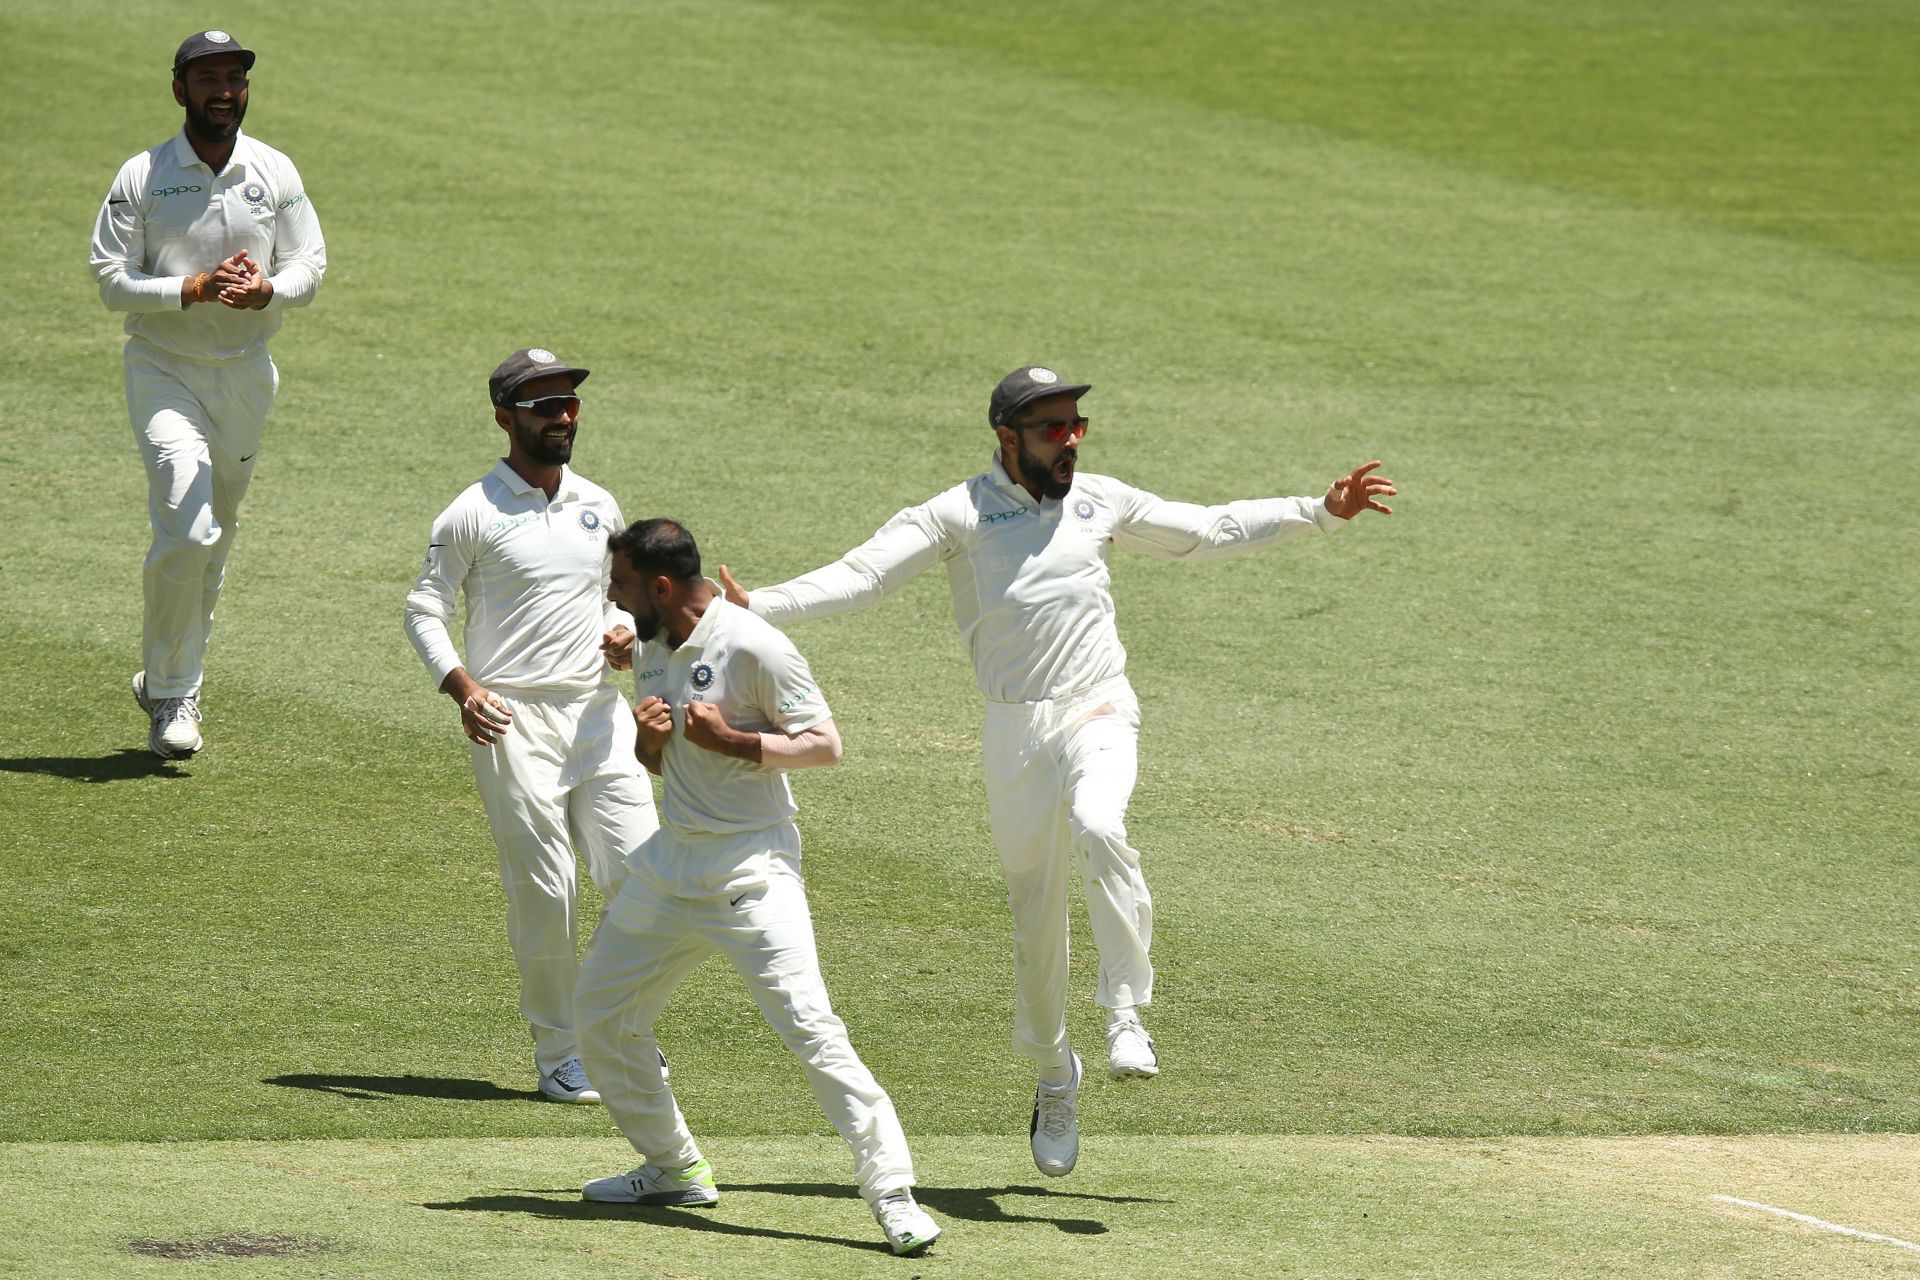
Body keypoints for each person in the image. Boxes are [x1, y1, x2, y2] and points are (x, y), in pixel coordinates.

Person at [719, 364, 1396, 1177]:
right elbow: (865, 577)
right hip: (1013, 730)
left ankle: (1125, 1010)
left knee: (1102, 823)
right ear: (1008, 437)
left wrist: (1319, 513)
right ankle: (1053, 1076)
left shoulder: (1099, 499)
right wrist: (756, 605)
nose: (1070, 439)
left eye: (1076, 424)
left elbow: (1206, 529)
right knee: (1034, 915)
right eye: (1051, 428)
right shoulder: (957, 513)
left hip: (1097, 703)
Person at [576, 519, 940, 1258]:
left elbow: (825, 745)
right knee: (600, 1016)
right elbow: (665, 764)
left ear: (663, 586)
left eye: (619, 586)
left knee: (811, 1030)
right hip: (671, 864)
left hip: (752, 870)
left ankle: (893, 1194)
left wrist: (736, 742)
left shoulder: (755, 644)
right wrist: (651, 744)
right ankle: (674, 1166)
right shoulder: (648, 643)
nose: (612, 601)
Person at [404, 348, 658, 1104]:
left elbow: (620, 594)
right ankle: (562, 1054)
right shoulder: (471, 512)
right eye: (544, 406)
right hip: (512, 717)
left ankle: (619, 1033)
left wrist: (624, 629)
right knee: (549, 891)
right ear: (505, 417)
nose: (562, 416)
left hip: (596, 714)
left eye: (569, 404)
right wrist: (462, 688)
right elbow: (424, 607)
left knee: (643, 878)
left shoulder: (597, 503)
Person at [90, 29, 328, 758]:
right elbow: (110, 280)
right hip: (163, 369)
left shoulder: (273, 170)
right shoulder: (146, 174)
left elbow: (309, 262)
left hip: (246, 376)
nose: (224, 90)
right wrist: (188, 289)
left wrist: (269, 291)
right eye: (208, 78)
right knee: (186, 530)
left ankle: (168, 675)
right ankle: (173, 692)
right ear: (179, 89)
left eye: (234, 77)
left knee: (213, 540)